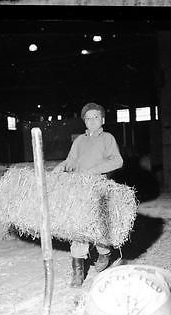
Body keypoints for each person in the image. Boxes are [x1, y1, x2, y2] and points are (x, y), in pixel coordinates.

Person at [52, 102, 124, 287]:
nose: (92, 121)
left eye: (96, 117)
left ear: (103, 120)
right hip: (79, 189)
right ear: (84, 120)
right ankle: (77, 271)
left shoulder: (107, 138)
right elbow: (72, 160)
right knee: (78, 227)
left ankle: (104, 252)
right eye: (88, 117)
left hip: (99, 188)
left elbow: (117, 160)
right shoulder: (79, 141)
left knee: (98, 227)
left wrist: (95, 171)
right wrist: (61, 168)